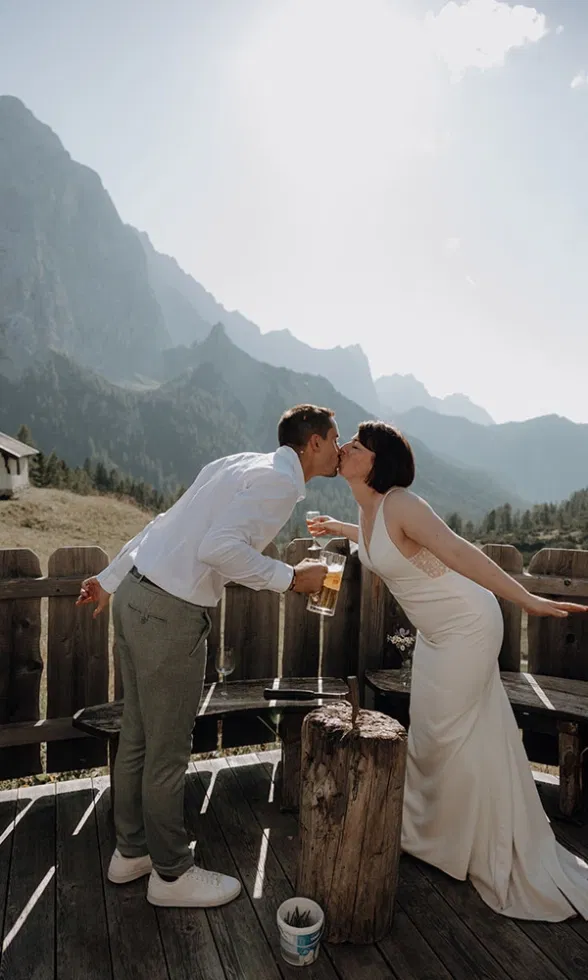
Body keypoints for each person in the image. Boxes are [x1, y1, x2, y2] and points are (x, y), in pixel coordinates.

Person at [309, 420, 588, 921]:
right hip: (437, 639)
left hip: (468, 629)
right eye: (347, 442)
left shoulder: (402, 504)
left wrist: (524, 598)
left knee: (444, 735)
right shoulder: (369, 508)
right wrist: (339, 528)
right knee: (439, 735)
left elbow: (461, 552)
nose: (345, 447)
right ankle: (440, 836)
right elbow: (380, 543)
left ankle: (456, 844)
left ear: (376, 461)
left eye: (356, 444)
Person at [76, 404, 340, 909]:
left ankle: (131, 853)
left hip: (135, 596)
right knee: (168, 750)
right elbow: (219, 549)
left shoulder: (237, 462)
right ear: (312, 444)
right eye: (334, 439)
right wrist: (292, 579)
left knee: (137, 733)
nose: (338, 447)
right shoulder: (280, 484)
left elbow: (163, 523)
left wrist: (111, 580)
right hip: (169, 615)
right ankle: (171, 875)